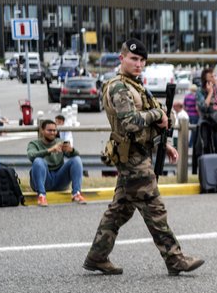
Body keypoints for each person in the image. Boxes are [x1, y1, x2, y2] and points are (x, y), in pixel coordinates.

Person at [85, 39, 203, 275]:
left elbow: (150, 124)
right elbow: (130, 122)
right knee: (154, 207)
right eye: (134, 59)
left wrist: (165, 144)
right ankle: (175, 259)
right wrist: (157, 113)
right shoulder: (119, 87)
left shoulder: (134, 85)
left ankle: (97, 256)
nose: (138, 64)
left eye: (142, 61)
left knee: (120, 209)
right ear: (122, 59)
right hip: (132, 159)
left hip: (138, 153)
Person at [26, 119, 86, 207]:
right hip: (44, 180)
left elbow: (76, 156)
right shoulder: (34, 144)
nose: (52, 133)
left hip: (59, 180)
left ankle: (76, 193)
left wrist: (71, 150)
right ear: (42, 131)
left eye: (54, 130)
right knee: (38, 161)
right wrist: (50, 150)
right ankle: (41, 196)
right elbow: (31, 156)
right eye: (49, 130)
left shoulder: (59, 142)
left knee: (76, 159)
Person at [196, 68, 217, 154]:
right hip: (207, 122)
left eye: (214, 75)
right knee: (207, 147)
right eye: (211, 76)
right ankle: (208, 165)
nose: (214, 77)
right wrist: (210, 93)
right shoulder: (200, 91)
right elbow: (203, 107)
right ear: (205, 79)